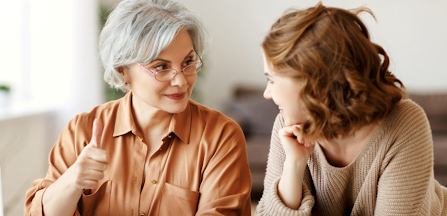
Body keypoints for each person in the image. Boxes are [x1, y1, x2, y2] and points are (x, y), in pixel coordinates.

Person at [24, 0, 252, 215]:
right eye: (161, 66)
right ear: (123, 71)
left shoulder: (221, 137)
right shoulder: (82, 130)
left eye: (188, 62)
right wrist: (73, 180)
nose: (181, 81)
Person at [255, 3, 447, 215]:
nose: (267, 93)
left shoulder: (404, 123)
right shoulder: (288, 125)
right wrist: (294, 163)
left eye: (271, 80)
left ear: (310, 80)